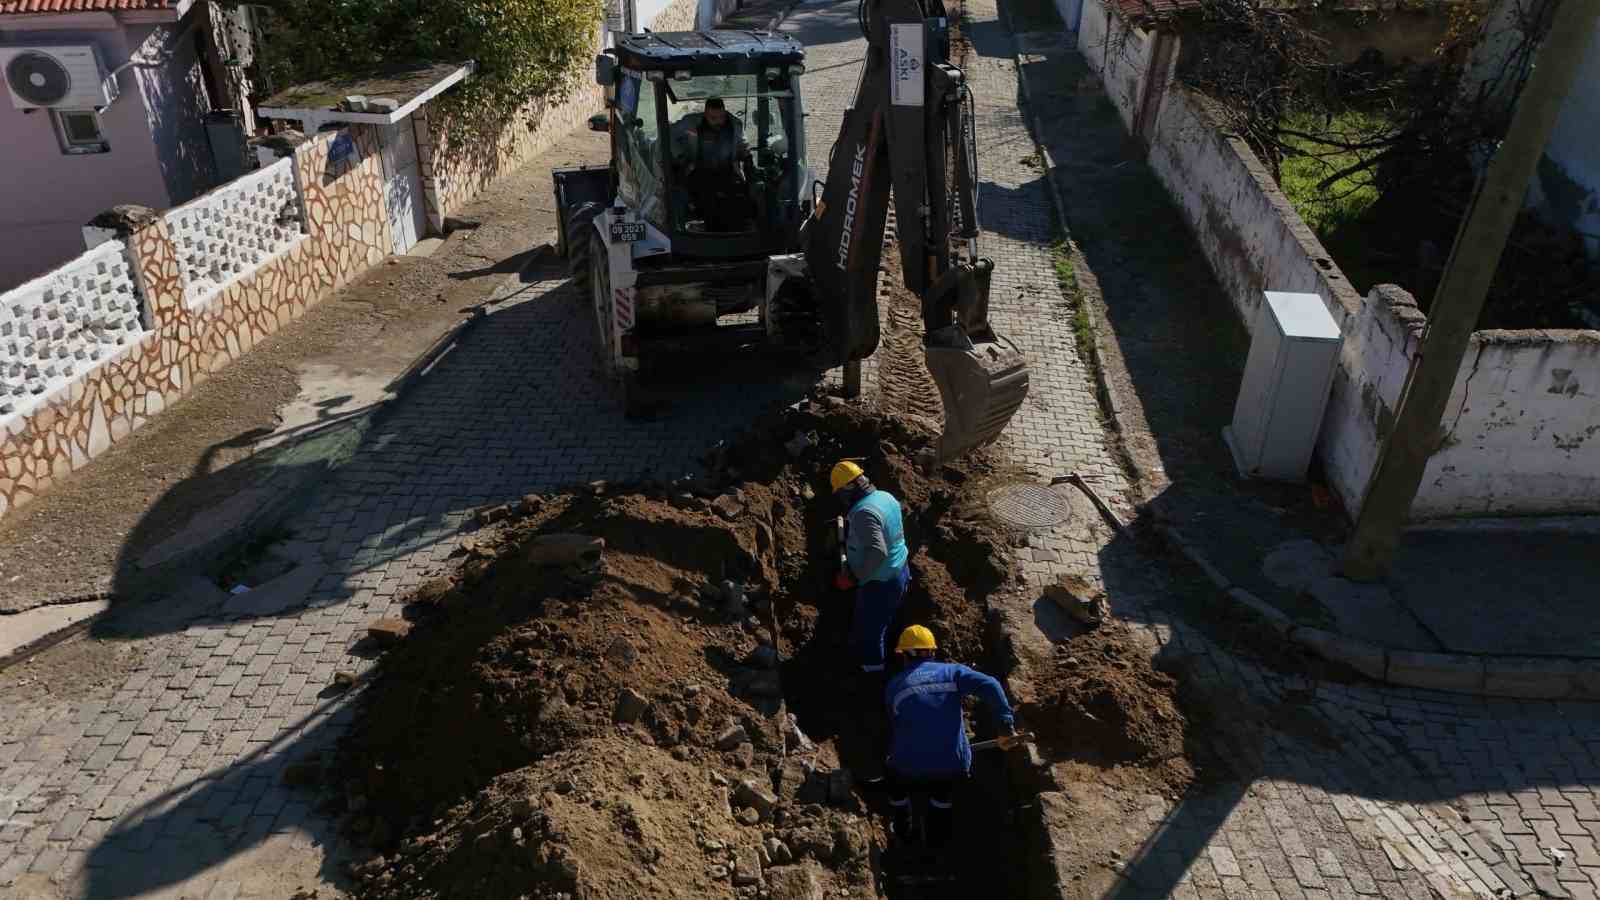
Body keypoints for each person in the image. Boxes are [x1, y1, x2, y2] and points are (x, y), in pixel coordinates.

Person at [883, 625, 1016, 847]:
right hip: (952, 764)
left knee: (893, 775)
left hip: (909, 766)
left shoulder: (894, 686)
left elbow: (895, 723)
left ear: (903, 655)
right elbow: (991, 685)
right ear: (932, 652)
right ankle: (937, 838)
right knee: (943, 791)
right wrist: (1005, 724)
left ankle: (902, 829)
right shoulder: (952, 673)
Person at [830, 460, 910, 674]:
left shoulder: (863, 513)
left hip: (880, 582)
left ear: (848, 489)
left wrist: (854, 578)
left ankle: (873, 672)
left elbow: (877, 551)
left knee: (870, 632)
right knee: (885, 618)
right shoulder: (885, 496)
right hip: (900, 570)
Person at [670, 97, 750, 228]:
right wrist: (680, 155)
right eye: (713, 118)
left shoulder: (735, 124)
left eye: (721, 117)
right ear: (705, 113)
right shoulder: (690, 122)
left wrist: (744, 153)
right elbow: (669, 133)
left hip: (727, 171)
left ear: (725, 112)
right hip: (698, 171)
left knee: (736, 201)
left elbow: (742, 142)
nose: (718, 121)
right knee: (704, 200)